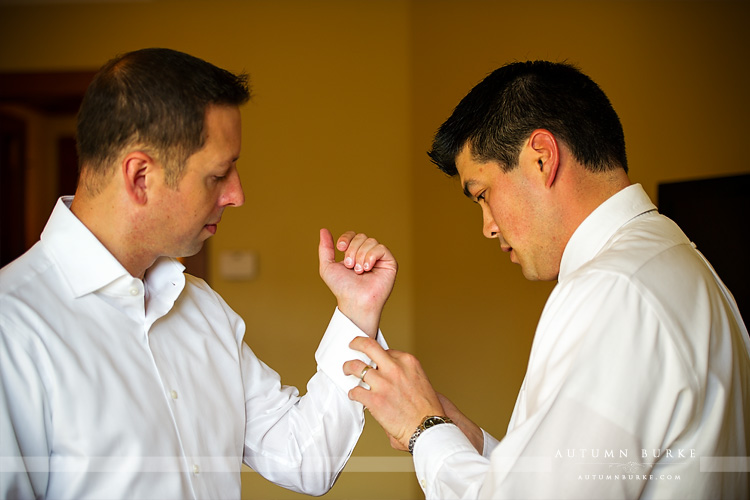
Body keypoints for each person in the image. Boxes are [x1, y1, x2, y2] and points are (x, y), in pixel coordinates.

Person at [0, 48, 397, 499]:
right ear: (140, 177)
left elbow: (304, 460)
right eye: (218, 174)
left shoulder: (202, 308)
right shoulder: (11, 331)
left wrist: (356, 312)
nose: (237, 195)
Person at [343, 60, 750, 499]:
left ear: (542, 158)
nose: (488, 226)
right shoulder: (678, 262)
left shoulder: (609, 291)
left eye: (482, 194)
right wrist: (463, 439)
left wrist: (422, 431)